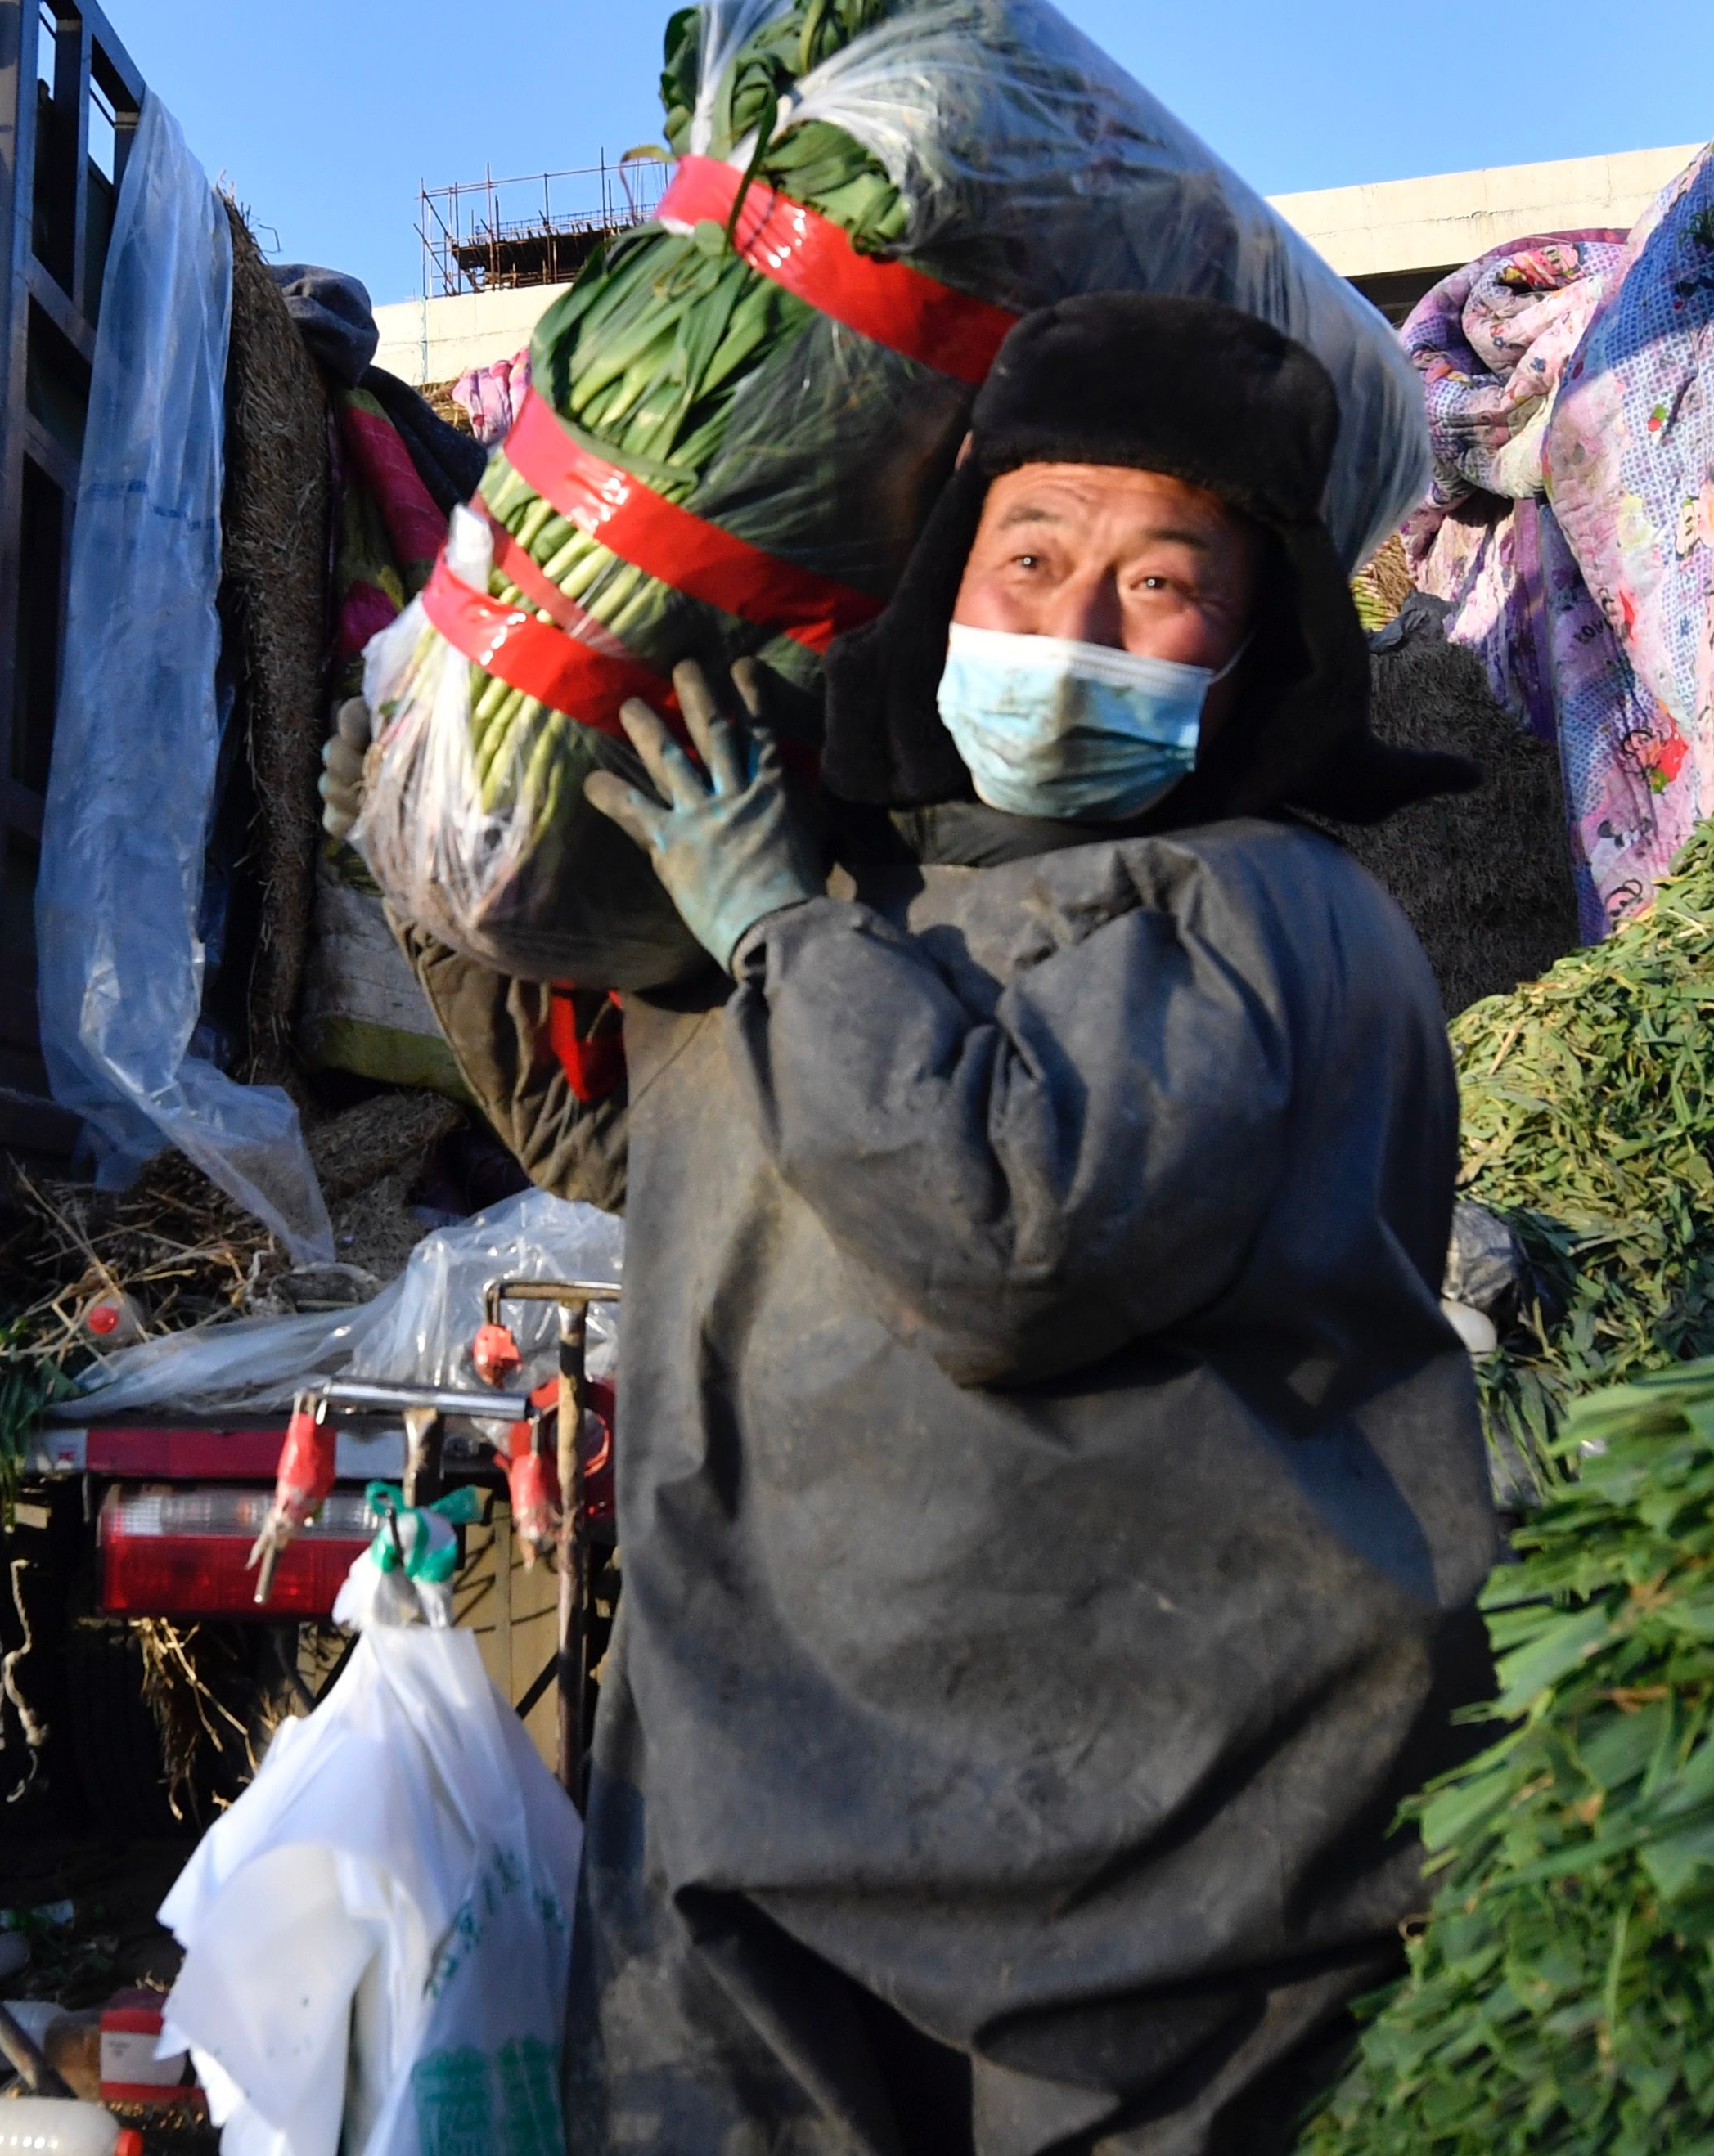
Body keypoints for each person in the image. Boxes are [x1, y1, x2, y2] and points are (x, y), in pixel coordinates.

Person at [408, 293, 1500, 2154]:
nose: (1071, 628)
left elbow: (1006, 1234)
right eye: (1030, 556)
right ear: (945, 578)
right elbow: (628, 1152)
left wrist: (775, 936)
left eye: (1158, 583)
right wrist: (469, 813)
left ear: (1253, 643)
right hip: (759, 1822)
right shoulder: (832, 882)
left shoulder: (1259, 914)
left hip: (1162, 1862)